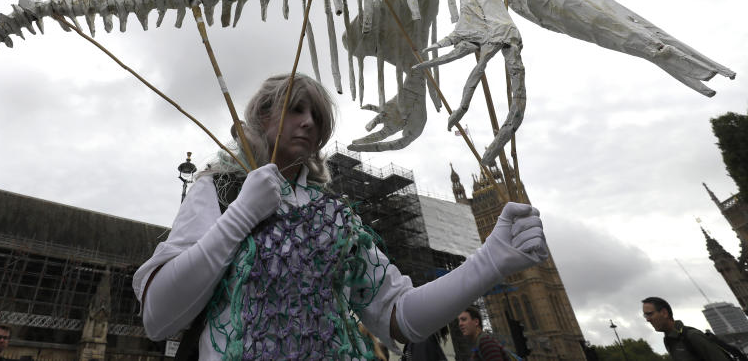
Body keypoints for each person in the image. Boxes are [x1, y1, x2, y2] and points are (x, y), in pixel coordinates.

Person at [133, 73, 549, 359]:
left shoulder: (334, 216)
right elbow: (158, 313)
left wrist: (490, 261)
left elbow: (397, 316)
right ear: (262, 116)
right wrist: (241, 214)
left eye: (318, 117)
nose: (309, 123)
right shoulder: (219, 188)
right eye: (296, 109)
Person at [642, 296, 729, 361]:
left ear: (664, 313)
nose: (648, 319)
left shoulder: (692, 336)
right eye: (645, 315)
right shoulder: (668, 340)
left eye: (650, 314)